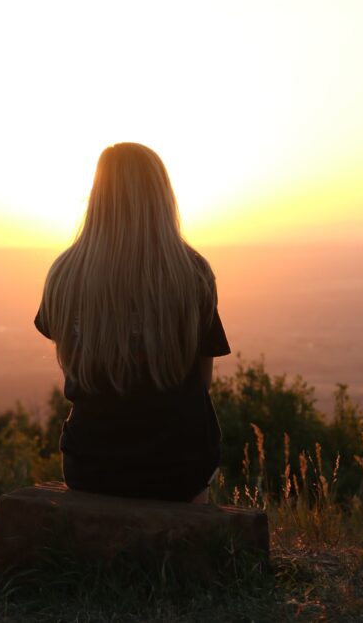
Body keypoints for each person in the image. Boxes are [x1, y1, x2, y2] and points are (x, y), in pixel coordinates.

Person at [34, 142, 231, 504]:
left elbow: (73, 363)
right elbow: (202, 383)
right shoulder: (194, 275)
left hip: (91, 465)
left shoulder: (64, 275)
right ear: (162, 197)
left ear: (97, 196)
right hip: (178, 467)